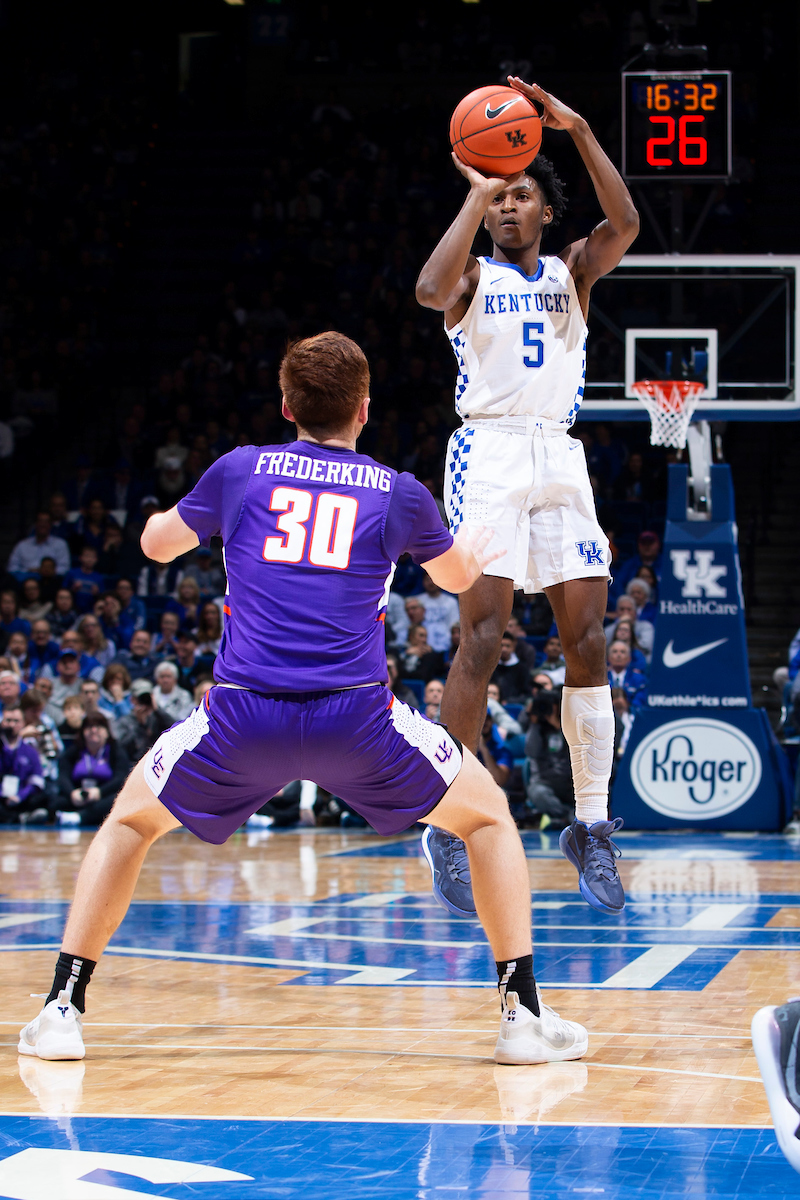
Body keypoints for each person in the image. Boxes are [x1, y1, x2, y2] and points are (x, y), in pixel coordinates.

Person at [19, 331, 587, 1068]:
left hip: (242, 716)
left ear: (286, 406)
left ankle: (62, 1009)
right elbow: (456, 578)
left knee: (128, 824)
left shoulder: (240, 470)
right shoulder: (397, 491)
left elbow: (157, 546)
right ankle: (522, 1015)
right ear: (364, 409)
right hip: (356, 720)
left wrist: (167, 517)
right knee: (488, 821)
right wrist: (473, 547)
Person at [415, 77, 636, 917]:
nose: (508, 206)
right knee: (482, 637)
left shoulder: (573, 269)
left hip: (559, 455)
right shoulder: (472, 276)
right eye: (498, 196)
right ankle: (446, 822)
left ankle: (591, 827)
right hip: (490, 453)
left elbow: (626, 225)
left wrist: (577, 130)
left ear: (545, 210)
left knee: (587, 640)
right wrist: (471, 196)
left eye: (519, 195)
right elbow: (429, 290)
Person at [55, 712, 130, 827]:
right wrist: (72, 793)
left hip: (103, 795)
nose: (94, 730)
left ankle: (79, 817)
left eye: (99, 727)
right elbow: (63, 775)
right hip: (79, 795)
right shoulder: (74, 750)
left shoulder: (115, 751)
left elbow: (121, 778)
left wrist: (99, 792)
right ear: (83, 732)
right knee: (55, 800)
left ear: (107, 732)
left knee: (117, 800)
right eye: (89, 727)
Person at [0, 705, 47, 824]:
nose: (12, 725)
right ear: (2, 723)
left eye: (16, 721)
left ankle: (19, 816)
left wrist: (20, 796)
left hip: (21, 796)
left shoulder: (30, 750)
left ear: (23, 724)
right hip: (1, 796)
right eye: (8, 720)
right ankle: (20, 818)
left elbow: (37, 779)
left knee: (48, 795)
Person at [114, 679, 173, 761]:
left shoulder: (158, 717)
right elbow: (126, 749)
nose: (144, 701)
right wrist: (140, 725)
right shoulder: (125, 721)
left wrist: (157, 710)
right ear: (132, 700)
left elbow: (173, 728)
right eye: (141, 698)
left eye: (147, 697)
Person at [7, 511, 71, 579]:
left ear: (50, 525)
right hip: (25, 580)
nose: (43, 524)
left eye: (46, 522)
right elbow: (11, 568)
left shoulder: (60, 544)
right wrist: (27, 571)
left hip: (51, 580)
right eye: (40, 521)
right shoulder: (22, 545)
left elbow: (65, 568)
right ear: (35, 524)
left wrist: (48, 571)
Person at [415, 573, 460, 653]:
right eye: (427, 580)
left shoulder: (451, 602)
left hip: (446, 641)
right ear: (423, 582)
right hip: (422, 641)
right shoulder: (417, 601)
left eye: (433, 579)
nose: (430, 583)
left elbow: (454, 624)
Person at [63, 547, 105, 615]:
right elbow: (63, 590)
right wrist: (73, 590)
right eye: (87, 556)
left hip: (91, 611)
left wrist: (96, 594)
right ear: (80, 558)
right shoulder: (72, 573)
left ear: (96, 559)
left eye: (93, 557)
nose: (90, 559)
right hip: (72, 610)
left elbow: (102, 597)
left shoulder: (99, 577)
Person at [491, 632, 531, 702]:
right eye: (501, 645)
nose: (504, 649)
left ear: (513, 647)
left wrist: (510, 701)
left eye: (508, 646)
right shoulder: (490, 668)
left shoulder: (522, 669)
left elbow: (526, 693)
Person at [607, 641, 647, 708]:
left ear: (629, 658)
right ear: (608, 658)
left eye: (622, 652)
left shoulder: (639, 679)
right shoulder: (600, 680)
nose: (618, 655)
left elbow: (640, 702)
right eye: (615, 652)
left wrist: (626, 707)